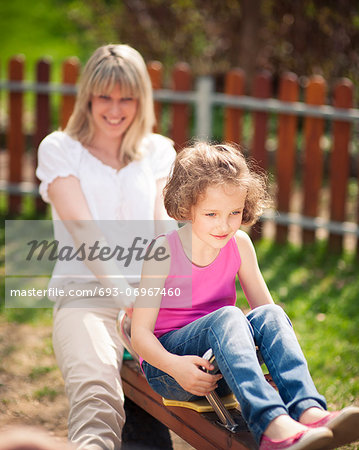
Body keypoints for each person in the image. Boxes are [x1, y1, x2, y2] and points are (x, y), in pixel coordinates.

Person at [131, 142, 359, 450]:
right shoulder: (163, 252)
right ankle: (271, 426)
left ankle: (308, 410)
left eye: (234, 213)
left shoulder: (239, 244)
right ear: (186, 207)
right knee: (228, 315)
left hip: (225, 364)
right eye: (211, 213)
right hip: (173, 369)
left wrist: (273, 365)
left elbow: (266, 318)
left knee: (273, 313)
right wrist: (175, 367)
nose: (223, 225)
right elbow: (140, 336)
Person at [36, 44, 176, 449]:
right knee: (98, 394)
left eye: (126, 98)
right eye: (105, 97)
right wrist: (126, 300)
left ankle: (293, 424)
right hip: (85, 299)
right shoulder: (60, 148)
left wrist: (152, 301)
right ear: (88, 97)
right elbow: (83, 230)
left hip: (151, 302)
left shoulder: (157, 151)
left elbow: (164, 227)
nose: (115, 109)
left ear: (141, 100)